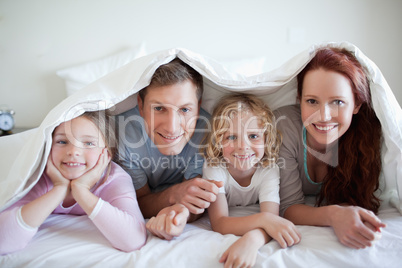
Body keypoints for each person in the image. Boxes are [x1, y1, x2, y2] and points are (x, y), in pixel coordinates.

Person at [275, 46, 386, 250]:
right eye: (312, 101)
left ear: (356, 105)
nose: (324, 116)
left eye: (337, 102)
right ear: (299, 99)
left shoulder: (365, 140)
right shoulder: (284, 127)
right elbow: (288, 208)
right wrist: (335, 215)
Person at [0, 111, 147, 255]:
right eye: (62, 142)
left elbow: (134, 239)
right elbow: (3, 241)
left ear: (107, 153)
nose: (73, 151)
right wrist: (58, 189)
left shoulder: (114, 179)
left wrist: (81, 190)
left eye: (89, 143)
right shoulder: (38, 176)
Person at [116, 58, 221, 240]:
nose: (172, 128)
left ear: (198, 106)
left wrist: (179, 214)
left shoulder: (208, 132)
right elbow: (138, 202)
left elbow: (195, 198)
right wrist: (173, 195)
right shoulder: (125, 135)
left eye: (185, 110)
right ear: (140, 106)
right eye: (159, 108)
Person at [202, 93, 301, 268]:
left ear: (266, 139)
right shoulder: (214, 167)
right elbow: (219, 223)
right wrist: (264, 220)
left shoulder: (269, 169)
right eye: (231, 137)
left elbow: (272, 219)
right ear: (218, 141)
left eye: (253, 136)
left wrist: (252, 239)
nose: (243, 146)